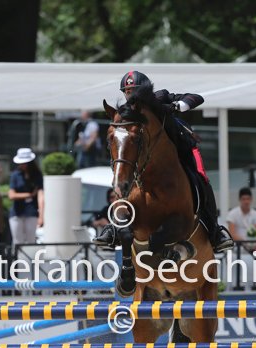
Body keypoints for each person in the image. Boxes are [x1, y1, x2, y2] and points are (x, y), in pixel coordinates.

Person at [93, 70, 233, 253]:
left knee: (201, 178)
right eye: (127, 92)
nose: (130, 95)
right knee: (124, 180)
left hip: (183, 150)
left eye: (134, 91)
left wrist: (177, 105)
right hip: (144, 160)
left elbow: (197, 98)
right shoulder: (126, 113)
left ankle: (215, 230)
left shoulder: (160, 98)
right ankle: (114, 228)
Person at [8, 148, 44, 245]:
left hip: (31, 211)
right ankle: (18, 256)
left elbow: (40, 196)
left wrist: (41, 216)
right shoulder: (15, 175)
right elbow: (11, 195)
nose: (22, 165)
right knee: (17, 241)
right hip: (17, 212)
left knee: (30, 241)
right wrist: (29, 195)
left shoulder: (37, 175)